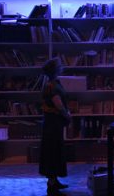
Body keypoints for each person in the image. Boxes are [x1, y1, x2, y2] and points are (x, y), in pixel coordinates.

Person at [39, 58, 71, 196]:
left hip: (53, 122)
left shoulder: (52, 84)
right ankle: (51, 185)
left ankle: (54, 180)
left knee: (55, 150)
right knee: (52, 151)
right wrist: (67, 115)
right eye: (59, 66)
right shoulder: (51, 86)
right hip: (53, 123)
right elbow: (58, 104)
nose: (62, 67)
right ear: (55, 70)